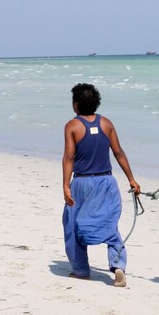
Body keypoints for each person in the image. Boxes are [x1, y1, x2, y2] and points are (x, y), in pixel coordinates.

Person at [61, 83, 140, 287]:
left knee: (72, 224)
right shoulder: (106, 123)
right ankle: (118, 266)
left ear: (76, 104)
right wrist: (131, 178)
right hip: (107, 181)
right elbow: (119, 152)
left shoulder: (72, 126)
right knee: (109, 224)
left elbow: (69, 157)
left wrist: (65, 185)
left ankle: (80, 270)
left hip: (82, 182)